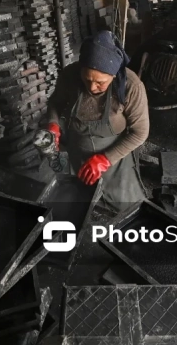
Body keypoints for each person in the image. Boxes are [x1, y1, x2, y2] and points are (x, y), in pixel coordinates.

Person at [41, 30, 149, 211]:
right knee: (84, 204)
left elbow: (140, 132)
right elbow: (55, 102)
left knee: (127, 208)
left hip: (115, 158)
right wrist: (53, 124)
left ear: (114, 74)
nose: (92, 87)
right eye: (87, 78)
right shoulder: (70, 75)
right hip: (79, 154)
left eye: (100, 82)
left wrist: (105, 159)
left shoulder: (131, 86)